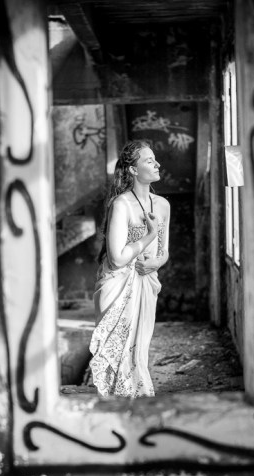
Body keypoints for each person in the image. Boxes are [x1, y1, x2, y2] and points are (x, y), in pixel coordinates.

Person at [88, 140, 170, 398]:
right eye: (149, 161)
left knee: (139, 353)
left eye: (155, 159)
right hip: (117, 285)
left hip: (147, 282)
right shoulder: (121, 204)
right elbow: (117, 258)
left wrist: (156, 263)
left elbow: (164, 251)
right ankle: (116, 407)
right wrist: (149, 235)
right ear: (133, 170)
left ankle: (137, 406)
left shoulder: (163, 205)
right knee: (117, 355)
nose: (157, 164)